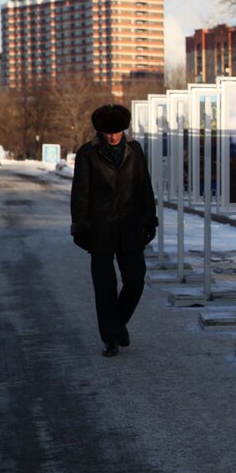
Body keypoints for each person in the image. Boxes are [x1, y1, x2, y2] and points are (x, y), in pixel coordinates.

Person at [71, 104, 158, 357]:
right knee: (104, 286)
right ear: (99, 131)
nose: (112, 136)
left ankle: (117, 323)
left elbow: (144, 185)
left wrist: (150, 217)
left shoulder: (135, 150)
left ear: (124, 129)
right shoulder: (88, 153)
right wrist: (80, 225)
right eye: (107, 132)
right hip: (100, 228)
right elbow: (81, 192)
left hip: (130, 226)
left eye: (117, 131)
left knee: (135, 279)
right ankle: (110, 338)